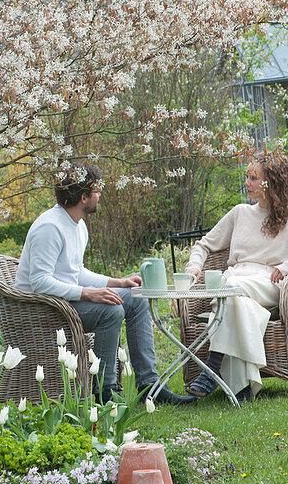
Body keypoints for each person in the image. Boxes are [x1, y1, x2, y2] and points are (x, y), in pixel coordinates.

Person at [14, 163, 194, 406]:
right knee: (111, 310)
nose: (100, 195)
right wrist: (88, 294)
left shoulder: (78, 226)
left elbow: (75, 272)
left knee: (134, 297)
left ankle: (149, 386)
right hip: (43, 310)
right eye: (97, 191)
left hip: (66, 300)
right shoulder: (50, 227)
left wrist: (118, 282)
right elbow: (39, 282)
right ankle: (104, 392)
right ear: (83, 196)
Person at [185, 152, 288, 403]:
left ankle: (212, 365)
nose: (247, 183)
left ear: (271, 183)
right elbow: (203, 245)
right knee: (238, 303)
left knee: (229, 289)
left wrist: (285, 266)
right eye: (247, 177)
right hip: (236, 279)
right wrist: (193, 267)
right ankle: (242, 389)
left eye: (254, 178)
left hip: (269, 282)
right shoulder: (240, 213)